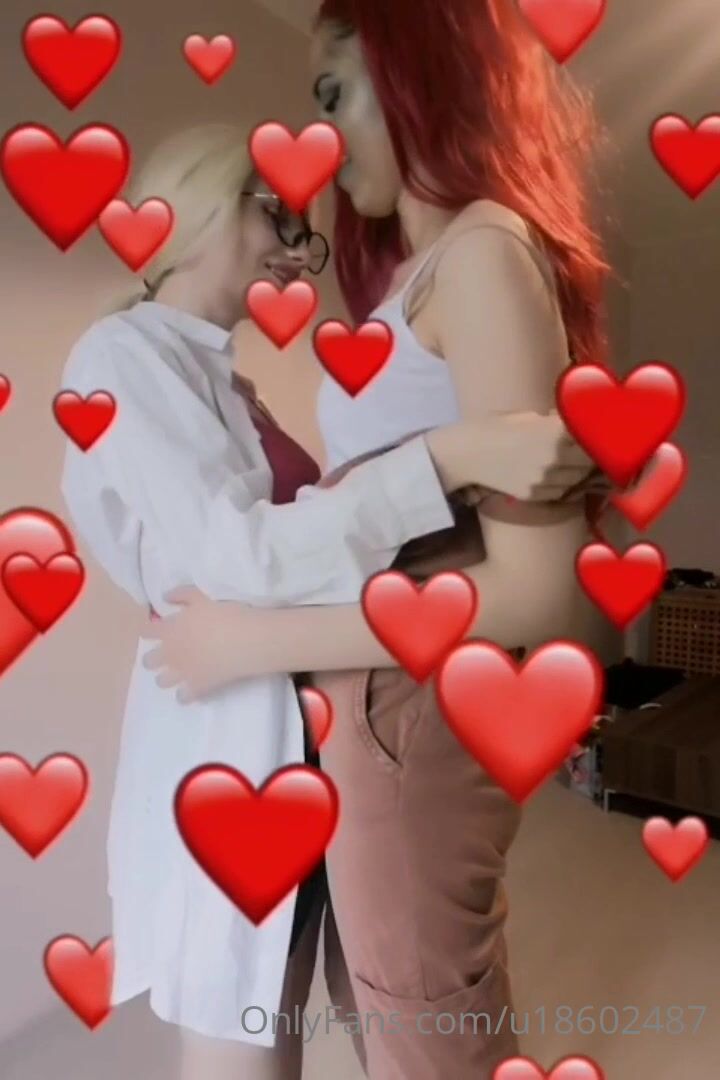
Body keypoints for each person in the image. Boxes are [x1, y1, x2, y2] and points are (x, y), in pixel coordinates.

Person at [59, 120, 596, 1080]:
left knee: (313, 1019)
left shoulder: (227, 384)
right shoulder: (119, 359)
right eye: (277, 214)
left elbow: (306, 553)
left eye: (300, 227)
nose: (293, 248)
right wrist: (450, 456)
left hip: (297, 742)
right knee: (244, 1048)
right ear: (193, 207)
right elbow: (242, 558)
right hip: (223, 750)